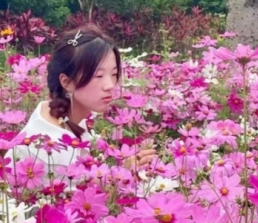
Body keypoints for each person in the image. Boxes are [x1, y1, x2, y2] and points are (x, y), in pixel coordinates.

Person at [11, 23, 157, 172]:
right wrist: (123, 174)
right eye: (98, 76)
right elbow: (77, 192)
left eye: (113, 74)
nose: (110, 85)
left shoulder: (58, 115)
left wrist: (123, 171)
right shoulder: (51, 150)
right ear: (66, 82)